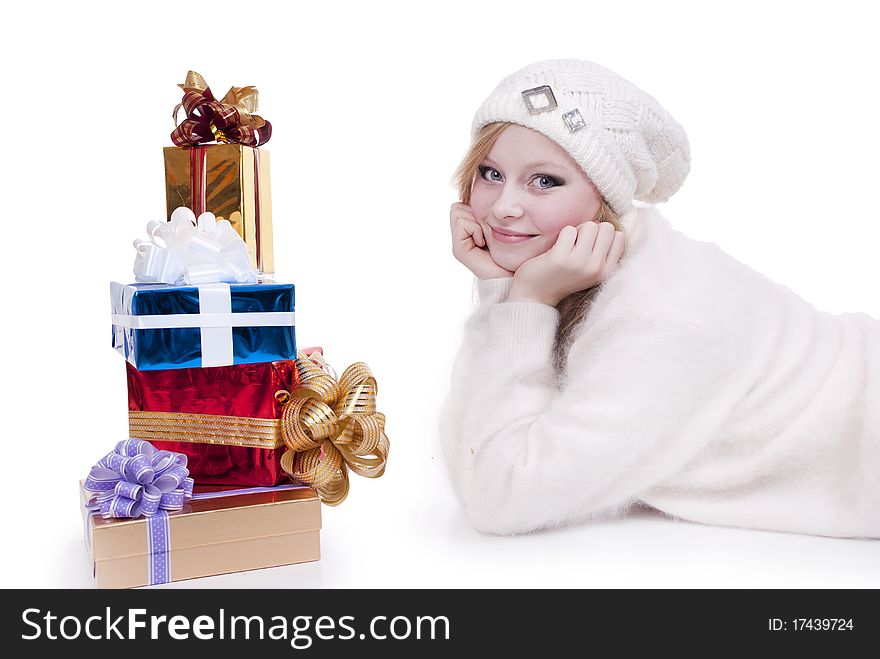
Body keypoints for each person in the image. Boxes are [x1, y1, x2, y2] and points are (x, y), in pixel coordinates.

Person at [440, 58, 879, 539]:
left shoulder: (664, 316)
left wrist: (521, 302)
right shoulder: (581, 275)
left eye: (546, 180)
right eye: (489, 172)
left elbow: (498, 498)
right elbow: (474, 454)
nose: (503, 206)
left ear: (605, 198)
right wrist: (502, 292)